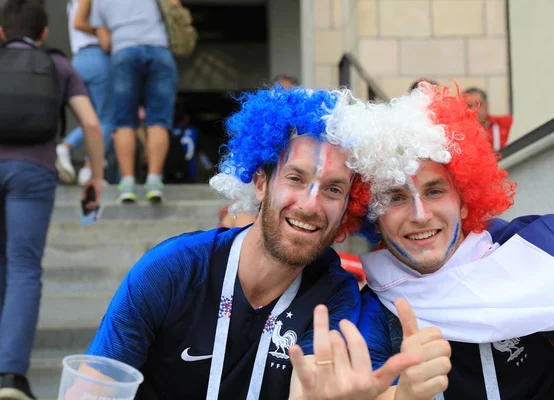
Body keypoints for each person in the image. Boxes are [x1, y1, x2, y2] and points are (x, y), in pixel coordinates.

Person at [82, 87, 378, 399]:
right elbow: (92, 387)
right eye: (295, 178)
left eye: (333, 190)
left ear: (349, 205)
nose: (310, 205)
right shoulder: (172, 269)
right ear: (261, 183)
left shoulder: (333, 292)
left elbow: (311, 386)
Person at [324, 83, 554, 399]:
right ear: (374, 214)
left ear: (465, 200)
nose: (420, 215)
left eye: (435, 191)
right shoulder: (371, 311)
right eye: (395, 197)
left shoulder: (537, 249)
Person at [0, 0, 104, 398]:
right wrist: (95, 176)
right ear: (44, 32)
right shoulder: (58, 64)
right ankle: (11, 377)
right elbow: (91, 123)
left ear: (2, 31)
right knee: (24, 267)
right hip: (33, 173)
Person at [89, 0, 178, 203]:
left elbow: (105, 42)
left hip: (124, 51)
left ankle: (127, 184)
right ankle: (154, 181)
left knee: (124, 122)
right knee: (158, 121)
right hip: (159, 50)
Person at [56, 0, 113, 186]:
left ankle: (68, 151)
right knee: (106, 120)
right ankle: (87, 167)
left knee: (90, 119)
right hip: (97, 57)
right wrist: (103, 32)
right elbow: (79, 23)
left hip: (79, 59)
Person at [463, 87, 513, 152]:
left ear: (487, 105)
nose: (475, 110)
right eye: (469, 106)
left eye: (479, 104)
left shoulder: (505, 123)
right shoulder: (458, 134)